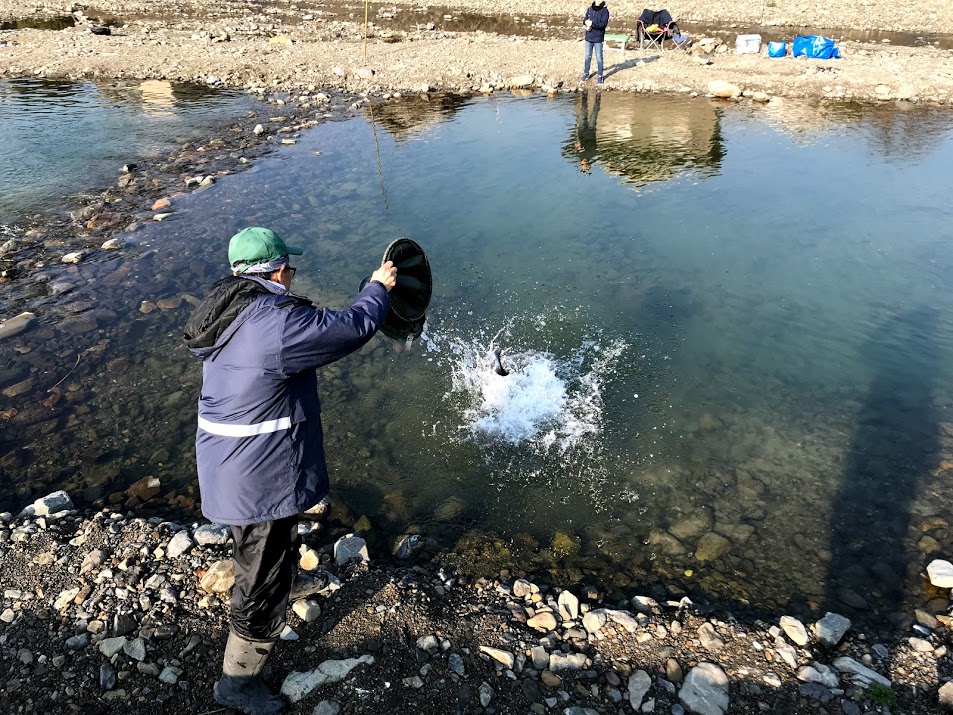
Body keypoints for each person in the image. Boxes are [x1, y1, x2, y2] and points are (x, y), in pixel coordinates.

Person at [183, 226, 397, 715]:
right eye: (289, 268)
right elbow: (348, 329)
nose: (291, 276)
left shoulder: (229, 312)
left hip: (230, 463)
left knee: (263, 551)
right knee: (259, 580)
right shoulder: (273, 323)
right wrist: (377, 288)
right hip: (255, 477)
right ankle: (236, 684)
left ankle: (282, 583)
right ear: (276, 270)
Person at [581, 0, 610, 85]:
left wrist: (592, 24)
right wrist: (585, 22)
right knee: (587, 56)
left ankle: (600, 76)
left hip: (598, 38)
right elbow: (585, 19)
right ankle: (586, 73)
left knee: (599, 58)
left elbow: (603, 24)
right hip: (588, 37)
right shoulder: (590, 9)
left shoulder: (605, 11)